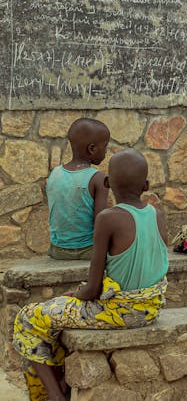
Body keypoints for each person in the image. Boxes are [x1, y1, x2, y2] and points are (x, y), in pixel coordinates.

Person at [13, 149, 169, 401]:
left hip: (119, 313)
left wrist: (77, 294)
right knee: (56, 317)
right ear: (147, 185)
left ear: (107, 183)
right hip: (150, 309)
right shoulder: (157, 215)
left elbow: (93, 288)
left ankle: (54, 395)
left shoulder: (108, 218)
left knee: (28, 319)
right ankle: (63, 382)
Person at [46, 118, 111, 261]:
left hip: (57, 250)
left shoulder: (55, 174)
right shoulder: (98, 178)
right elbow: (101, 222)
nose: (106, 151)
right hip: (88, 251)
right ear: (92, 149)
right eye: (105, 147)